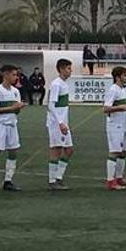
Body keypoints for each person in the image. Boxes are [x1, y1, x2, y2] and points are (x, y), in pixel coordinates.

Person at [0, 64, 25, 192]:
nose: (16, 77)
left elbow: (16, 111)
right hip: (0, 126)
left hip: (12, 125)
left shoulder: (15, 91)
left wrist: (18, 108)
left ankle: (8, 181)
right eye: (13, 74)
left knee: (13, 152)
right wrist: (12, 108)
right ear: (6, 75)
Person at [47, 59, 74, 191]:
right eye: (68, 68)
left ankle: (58, 177)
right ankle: (53, 180)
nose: (70, 71)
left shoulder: (63, 84)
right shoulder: (56, 84)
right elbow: (51, 105)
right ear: (62, 69)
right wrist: (60, 123)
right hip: (56, 123)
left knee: (69, 150)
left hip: (63, 122)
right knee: (56, 149)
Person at [103, 66, 126, 191]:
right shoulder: (113, 90)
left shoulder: (122, 89)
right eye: (124, 75)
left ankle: (119, 177)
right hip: (115, 125)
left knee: (123, 151)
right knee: (114, 151)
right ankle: (110, 180)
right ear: (117, 77)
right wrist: (121, 108)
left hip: (123, 124)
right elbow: (106, 108)